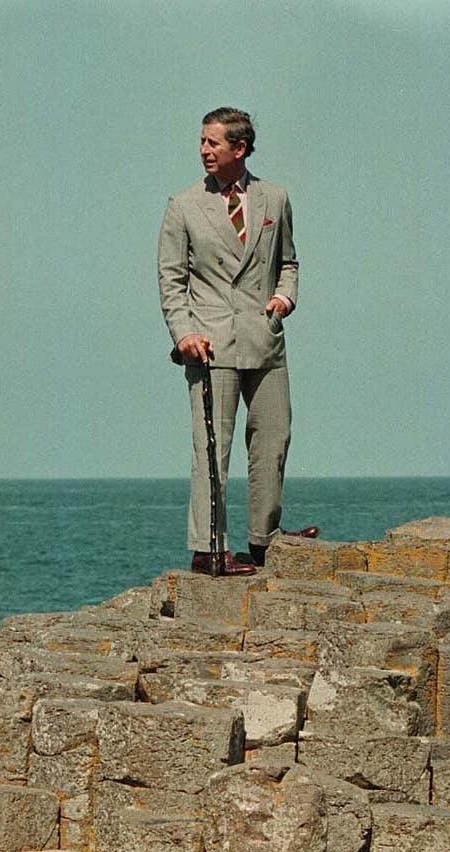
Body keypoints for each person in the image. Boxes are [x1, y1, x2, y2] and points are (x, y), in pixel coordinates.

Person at [157, 107, 317, 576]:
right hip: (210, 346)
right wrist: (183, 332)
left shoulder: (275, 198)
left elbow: (289, 262)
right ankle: (208, 549)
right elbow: (171, 279)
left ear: (239, 149)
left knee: (273, 439)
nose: (204, 150)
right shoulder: (183, 205)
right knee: (212, 448)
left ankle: (264, 541)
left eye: (213, 143)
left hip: (265, 341)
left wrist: (284, 299)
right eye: (202, 141)